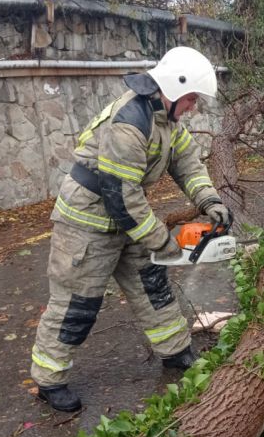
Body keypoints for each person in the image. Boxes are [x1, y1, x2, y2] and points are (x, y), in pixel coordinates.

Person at [31, 47, 230, 412]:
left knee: (153, 287)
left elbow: (187, 163)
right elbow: (120, 195)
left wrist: (210, 200)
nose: (193, 107)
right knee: (77, 305)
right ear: (172, 88)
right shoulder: (129, 121)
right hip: (87, 223)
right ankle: (49, 378)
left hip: (128, 220)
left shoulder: (166, 120)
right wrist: (162, 241)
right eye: (190, 99)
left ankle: (176, 351)